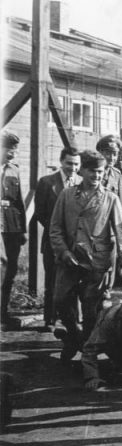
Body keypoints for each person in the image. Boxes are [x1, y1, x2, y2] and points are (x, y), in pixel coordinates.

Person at [49, 150, 122, 361]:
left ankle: (88, 353)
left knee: (90, 309)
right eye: (93, 171)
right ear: (82, 171)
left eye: (101, 172)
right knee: (60, 300)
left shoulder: (110, 199)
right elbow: (55, 228)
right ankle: (75, 336)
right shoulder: (67, 195)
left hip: (97, 262)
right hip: (69, 261)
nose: (97, 176)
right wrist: (64, 251)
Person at [34, 147, 82, 330]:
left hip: (76, 242)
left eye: (76, 164)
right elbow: (40, 213)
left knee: (76, 281)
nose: (73, 168)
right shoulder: (47, 183)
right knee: (52, 280)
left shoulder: (81, 182)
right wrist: (59, 230)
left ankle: (75, 320)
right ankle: (50, 319)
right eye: (69, 163)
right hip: (53, 241)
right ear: (61, 162)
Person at [1, 131, 26, 327]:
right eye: (7, 148)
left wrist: (23, 229)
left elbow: (19, 202)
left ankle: (3, 313)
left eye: (14, 150)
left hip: (11, 225)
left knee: (10, 269)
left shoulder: (14, 171)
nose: (11, 153)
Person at [96, 135, 122, 203]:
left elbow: (120, 202)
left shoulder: (117, 174)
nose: (112, 158)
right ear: (100, 152)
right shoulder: (92, 171)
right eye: (108, 153)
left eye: (115, 154)